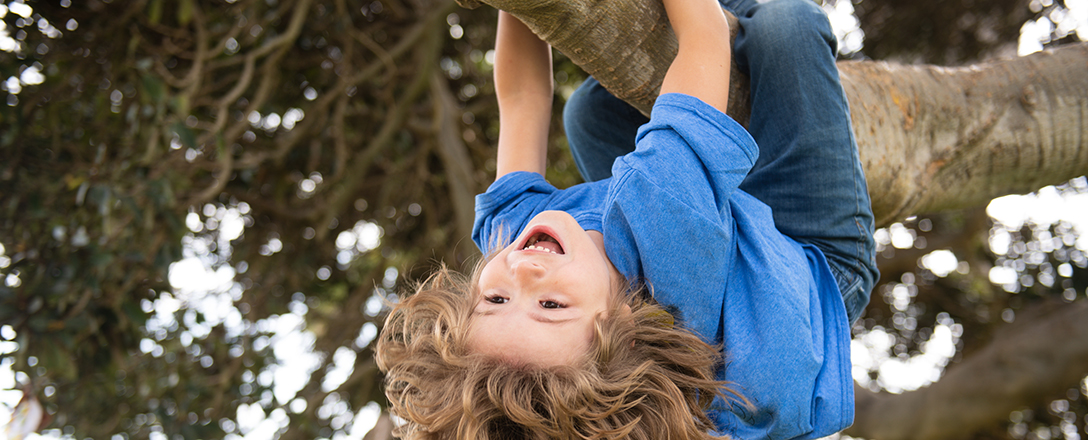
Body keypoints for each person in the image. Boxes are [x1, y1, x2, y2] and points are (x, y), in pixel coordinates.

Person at [375, 0, 879, 436]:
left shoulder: (511, 237)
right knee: (785, 28)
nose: (523, 273)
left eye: (495, 299)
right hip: (813, 267)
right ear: (627, 330)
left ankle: (705, 162)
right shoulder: (663, 217)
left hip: (720, 253)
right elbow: (703, 38)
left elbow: (523, 99)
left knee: (589, 112)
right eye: (550, 305)